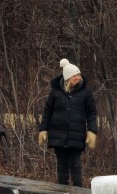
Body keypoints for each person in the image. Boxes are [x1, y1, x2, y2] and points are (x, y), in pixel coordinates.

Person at [38, 58, 98, 186]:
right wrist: (43, 129)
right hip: (58, 134)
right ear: (67, 78)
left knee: (75, 163)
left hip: (76, 135)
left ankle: (78, 191)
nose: (77, 78)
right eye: (74, 76)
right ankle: (62, 191)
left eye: (78, 75)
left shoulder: (86, 93)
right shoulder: (56, 93)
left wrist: (92, 130)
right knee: (61, 163)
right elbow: (47, 111)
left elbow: (92, 113)